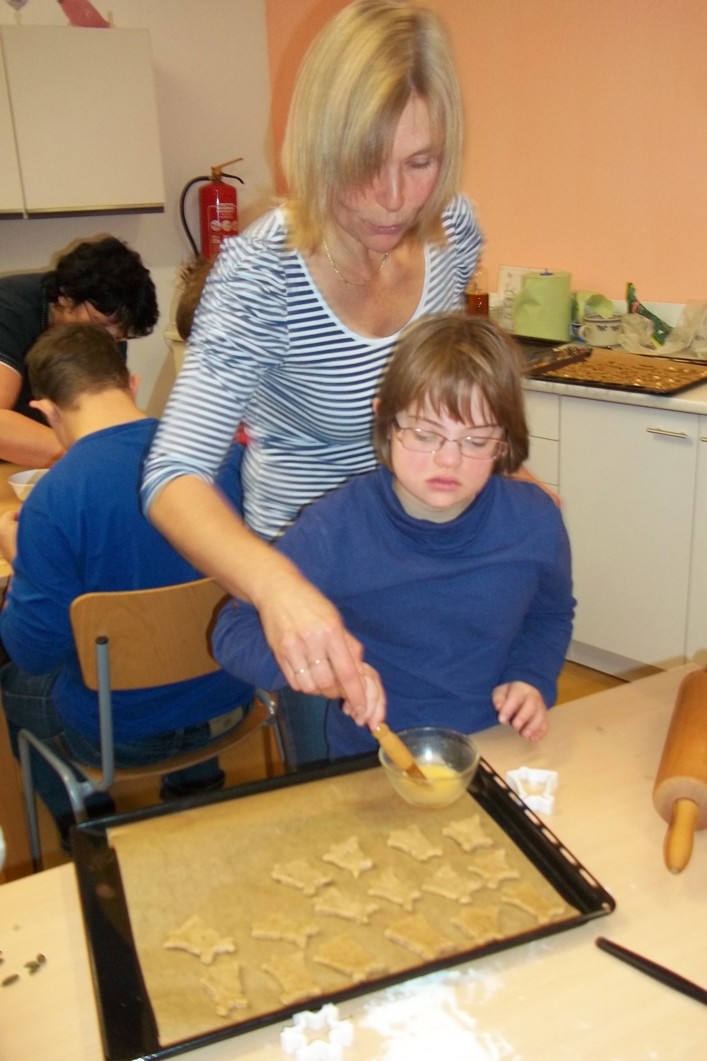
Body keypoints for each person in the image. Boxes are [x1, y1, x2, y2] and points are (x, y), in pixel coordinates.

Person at [141, 1, 481, 752]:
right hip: (316, 582)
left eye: (420, 162)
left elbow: (449, 394)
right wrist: (278, 587)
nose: (395, 198)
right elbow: (172, 476)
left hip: (428, 564)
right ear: (321, 148)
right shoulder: (262, 274)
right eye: (365, 163)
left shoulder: (452, 231)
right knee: (338, 794)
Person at [212, 313, 575, 759]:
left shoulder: (535, 521)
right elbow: (234, 630)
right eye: (424, 434)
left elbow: (550, 615)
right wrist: (328, 670)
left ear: (505, 440)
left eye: (477, 441)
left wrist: (531, 677)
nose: (448, 461)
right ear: (385, 419)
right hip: (371, 757)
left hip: (495, 748)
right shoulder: (335, 528)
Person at [0, 323, 252, 845]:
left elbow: (32, 651)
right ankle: (196, 792)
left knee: (17, 681)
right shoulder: (224, 457)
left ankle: (88, 829)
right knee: (181, 635)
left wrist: (20, 558)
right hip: (231, 700)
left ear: (46, 411)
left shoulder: (54, 498)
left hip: (121, 735)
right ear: (132, 384)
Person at [0, 235, 158, 466]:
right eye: (100, 323)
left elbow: (105, 418)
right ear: (66, 297)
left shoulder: (107, 333)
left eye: (119, 336)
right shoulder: (9, 310)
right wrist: (91, 456)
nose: (108, 339)